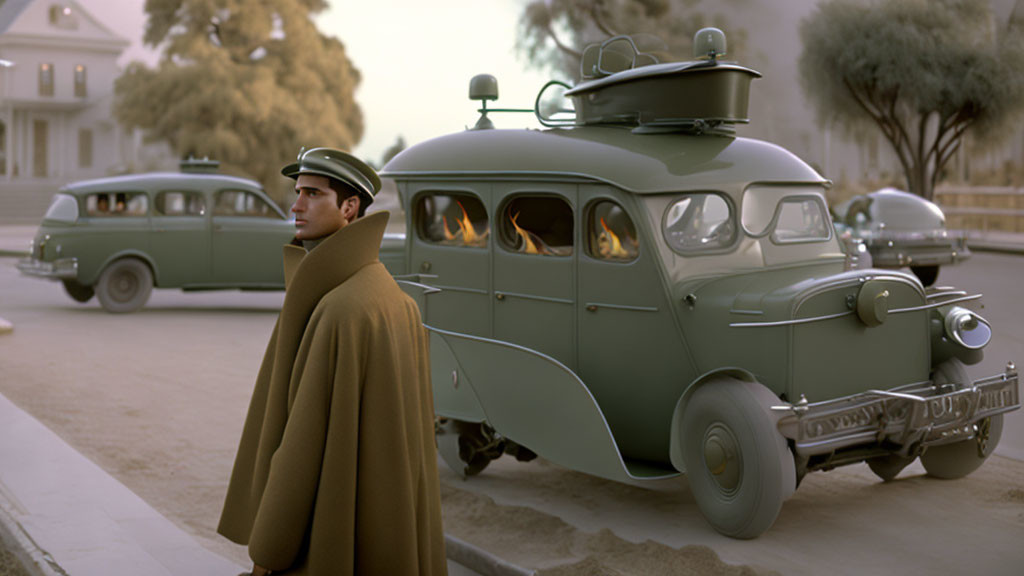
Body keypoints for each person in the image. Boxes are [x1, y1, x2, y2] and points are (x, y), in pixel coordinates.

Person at [217, 147, 447, 575]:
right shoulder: (391, 298)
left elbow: (301, 447)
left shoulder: (342, 309)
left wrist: (269, 547)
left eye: (312, 194)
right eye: (297, 191)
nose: (296, 205)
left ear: (349, 207)